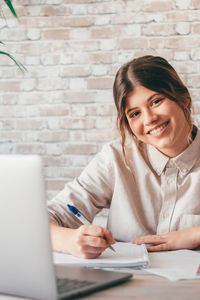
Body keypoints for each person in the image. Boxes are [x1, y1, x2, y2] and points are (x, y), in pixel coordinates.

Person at [48, 55, 200, 258]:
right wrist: (69, 241)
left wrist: (196, 234)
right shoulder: (116, 158)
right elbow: (46, 217)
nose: (150, 119)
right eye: (135, 114)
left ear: (183, 99)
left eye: (156, 101)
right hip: (124, 285)